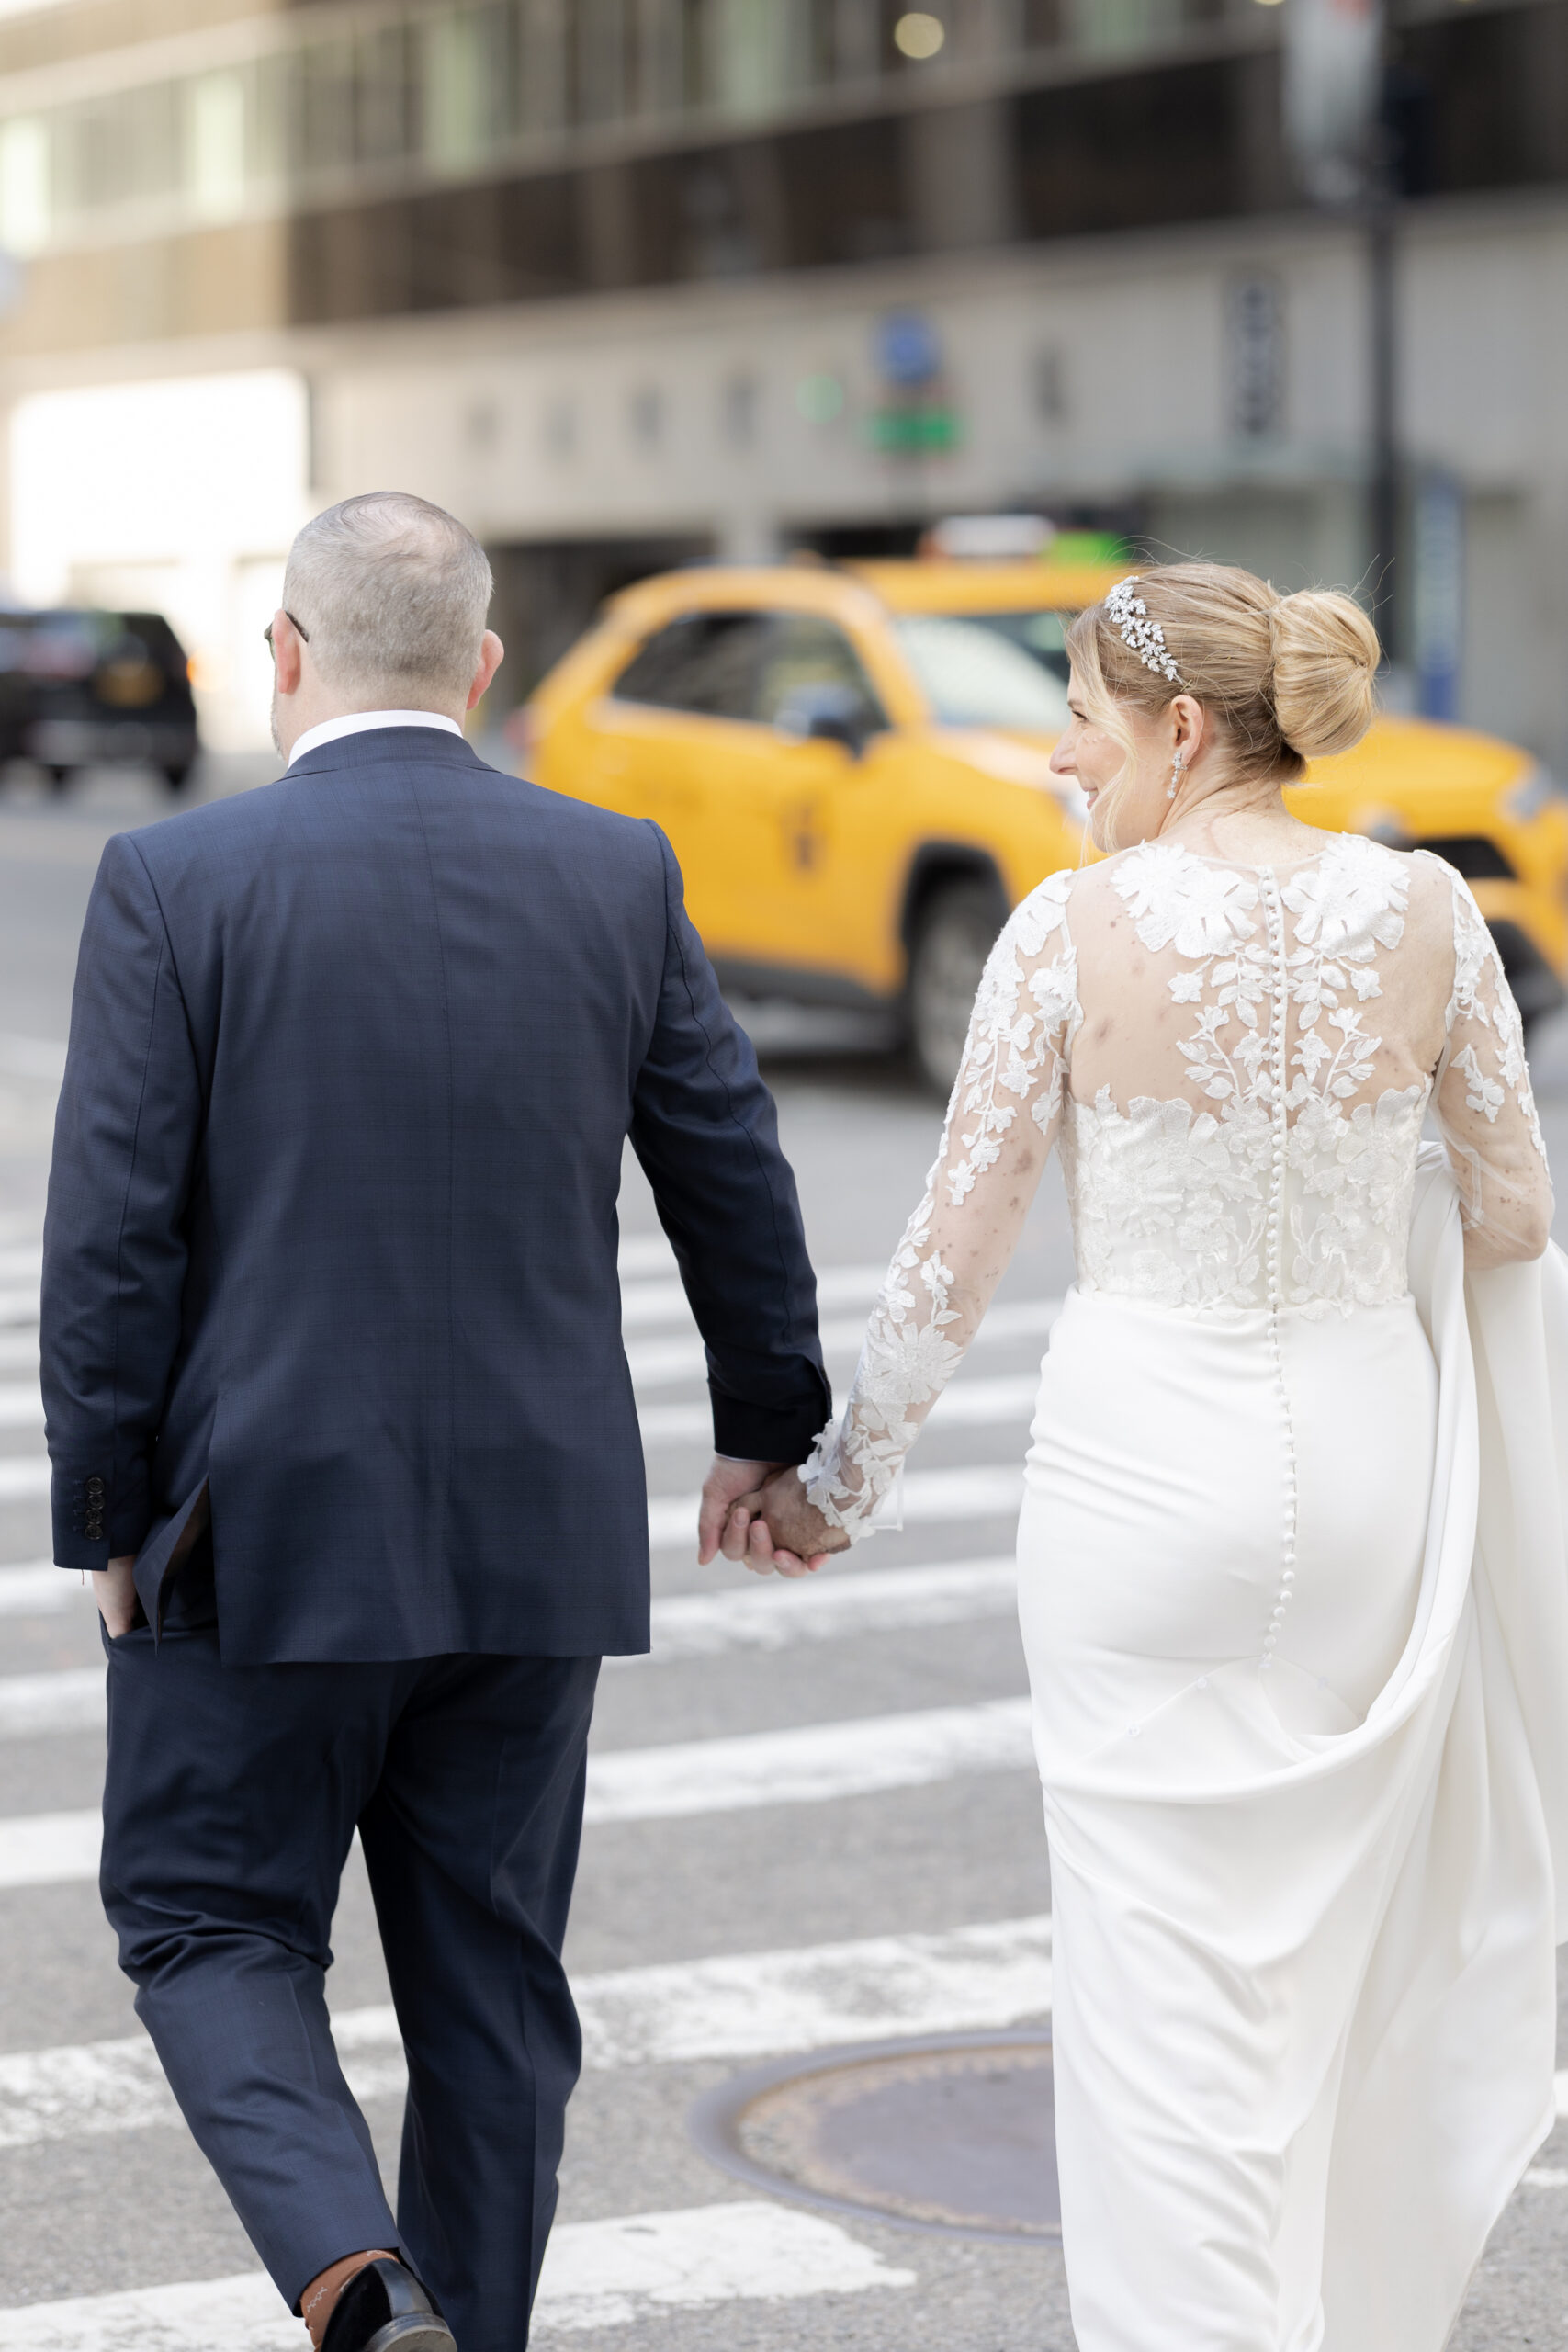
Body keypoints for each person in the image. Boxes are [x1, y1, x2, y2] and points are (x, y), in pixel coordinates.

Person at [736, 562, 1568, 2351]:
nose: (1053, 757)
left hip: (1139, 1487)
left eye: (1079, 723)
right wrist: (1345, 1218)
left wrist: (835, 1486)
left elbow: (949, 1253)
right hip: (1365, 1472)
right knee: (1322, 1962)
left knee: (1151, 2007)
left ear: (1179, 729)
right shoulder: (1427, 910)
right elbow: (1510, 1213)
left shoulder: (1064, 928)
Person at [40, 492, 829, 2352]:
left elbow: (111, 1237)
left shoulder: (179, 882)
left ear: (284, 656)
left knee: (207, 1919)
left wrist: (104, 1520)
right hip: (533, 1536)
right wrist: (764, 1426)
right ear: (480, 665)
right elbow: (732, 1167)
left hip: (259, 1528)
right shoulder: (613, 869)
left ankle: (352, 2276)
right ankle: (455, 2325)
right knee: (491, 1987)